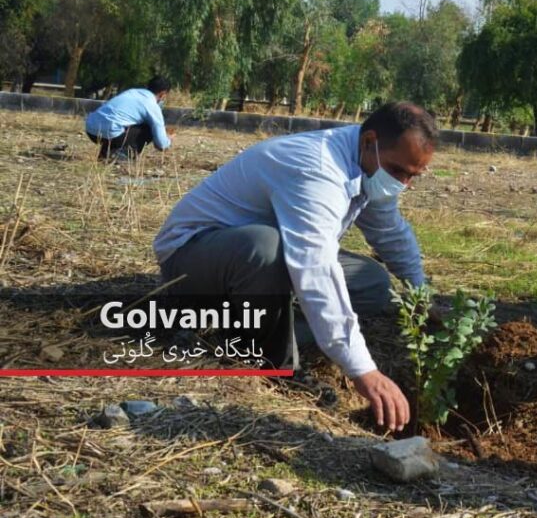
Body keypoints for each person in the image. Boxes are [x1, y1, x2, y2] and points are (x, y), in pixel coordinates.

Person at [153, 102, 438, 433]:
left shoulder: (370, 165)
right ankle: (267, 360)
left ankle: (243, 326)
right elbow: (314, 265)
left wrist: (421, 294)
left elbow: (390, 233)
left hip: (253, 265)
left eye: (413, 176)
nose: (403, 184)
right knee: (267, 248)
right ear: (369, 140)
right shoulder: (318, 168)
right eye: (399, 172)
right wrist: (363, 370)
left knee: (373, 282)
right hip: (191, 259)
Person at [85, 76, 174, 160]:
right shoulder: (152, 105)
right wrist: (168, 140)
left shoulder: (132, 92)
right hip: (110, 133)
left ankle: (105, 155)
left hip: (91, 130)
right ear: (163, 94)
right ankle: (123, 155)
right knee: (148, 128)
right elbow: (161, 145)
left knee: (119, 124)